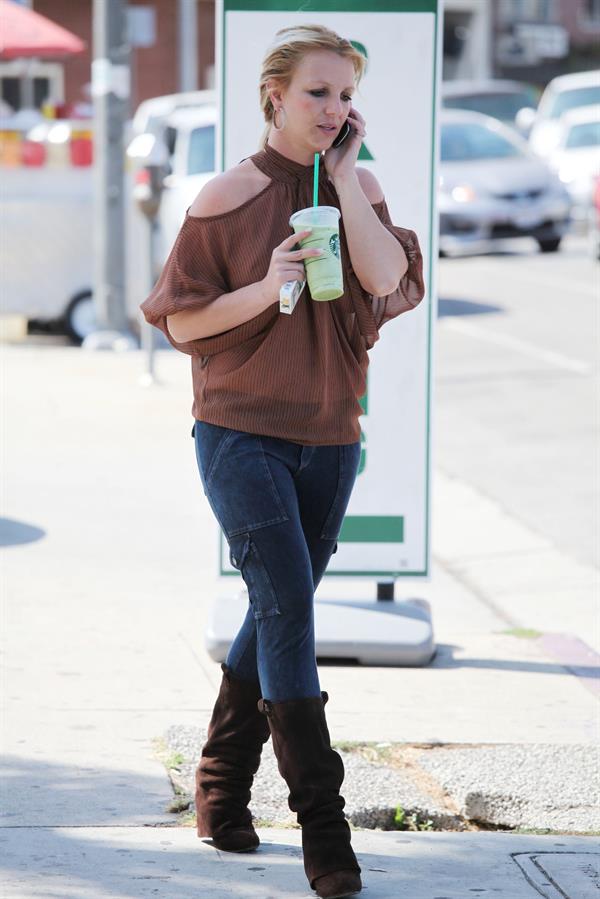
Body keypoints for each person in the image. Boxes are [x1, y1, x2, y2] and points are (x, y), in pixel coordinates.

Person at [141, 23, 425, 899]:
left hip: (333, 439)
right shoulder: (223, 199)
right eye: (318, 94)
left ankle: (220, 786)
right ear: (274, 96)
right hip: (240, 434)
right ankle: (325, 834)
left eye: (346, 95)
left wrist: (344, 180)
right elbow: (180, 320)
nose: (335, 110)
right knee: (291, 610)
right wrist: (267, 285)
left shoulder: (357, 183)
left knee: (277, 606)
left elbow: (384, 284)